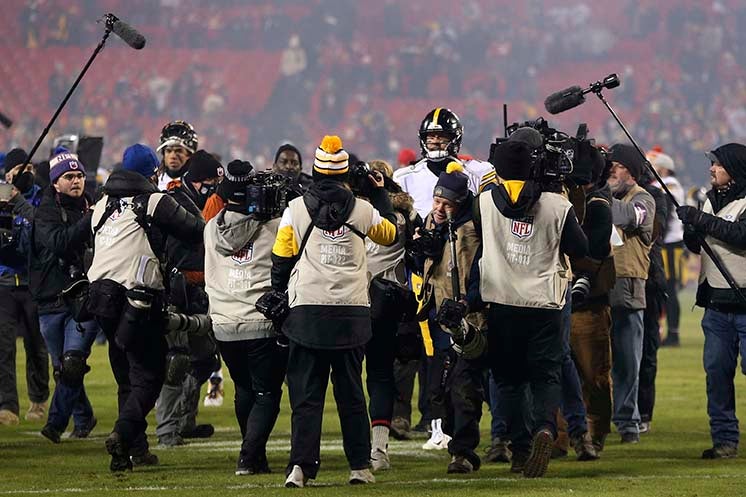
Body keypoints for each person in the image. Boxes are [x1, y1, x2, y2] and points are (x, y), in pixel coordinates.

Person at [271, 135, 397, 487]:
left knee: (306, 398)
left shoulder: (295, 209)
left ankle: (300, 468)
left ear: (313, 171)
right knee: (352, 395)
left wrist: (278, 294)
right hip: (352, 315)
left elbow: (281, 259)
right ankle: (359, 466)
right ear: (345, 173)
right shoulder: (363, 209)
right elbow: (390, 233)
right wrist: (380, 192)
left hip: (306, 313)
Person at [473, 139, 588, 478]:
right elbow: (579, 248)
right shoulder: (556, 204)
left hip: (501, 301)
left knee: (508, 381)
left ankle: (520, 448)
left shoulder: (483, 202)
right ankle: (545, 429)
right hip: (544, 304)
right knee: (545, 375)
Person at [87, 144, 204, 471]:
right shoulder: (154, 201)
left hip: (100, 300)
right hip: (137, 300)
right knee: (150, 376)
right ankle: (123, 435)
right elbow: (196, 230)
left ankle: (131, 452)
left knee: (127, 376)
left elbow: (76, 240)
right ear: (152, 171)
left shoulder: (101, 205)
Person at [392, 107, 497, 439]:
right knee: (426, 352)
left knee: (473, 348)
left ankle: (484, 425)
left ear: (456, 139)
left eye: (443, 136)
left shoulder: (478, 171)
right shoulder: (404, 177)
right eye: (432, 137)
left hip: (467, 273)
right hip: (422, 276)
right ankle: (435, 419)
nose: (437, 142)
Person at [204, 160, 288, 475]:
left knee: (243, 390)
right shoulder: (276, 225)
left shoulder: (211, 228)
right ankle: (249, 456)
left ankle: (254, 454)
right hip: (261, 321)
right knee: (267, 393)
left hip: (225, 324)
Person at [409, 162, 487, 473]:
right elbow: (426, 269)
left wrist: (470, 302)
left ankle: (464, 452)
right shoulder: (432, 222)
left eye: (447, 203)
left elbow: (482, 271)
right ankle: (463, 444)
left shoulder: (473, 228)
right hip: (439, 317)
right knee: (441, 391)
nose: (439, 208)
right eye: (437, 201)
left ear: (460, 202)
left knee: (465, 386)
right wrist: (419, 250)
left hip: (470, 318)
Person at [677, 143, 746, 459]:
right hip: (716, 305)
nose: (712, 169)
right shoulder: (708, 200)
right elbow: (697, 245)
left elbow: (740, 236)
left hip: (744, 303)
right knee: (717, 375)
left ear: (734, 168)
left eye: (717, 164)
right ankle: (725, 440)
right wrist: (690, 228)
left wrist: (700, 221)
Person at [29, 152, 98, 443]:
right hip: (50, 299)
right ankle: (84, 418)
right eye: (69, 177)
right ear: (55, 183)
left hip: (84, 298)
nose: (76, 181)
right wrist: (91, 220)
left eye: (80, 176)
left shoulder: (94, 208)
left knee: (72, 362)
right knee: (64, 370)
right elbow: (59, 243)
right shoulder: (44, 212)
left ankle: (55, 425)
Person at [156, 150, 222, 447]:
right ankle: (168, 430)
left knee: (206, 358)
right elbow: (200, 233)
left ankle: (186, 420)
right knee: (177, 360)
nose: (214, 189)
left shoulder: (193, 199)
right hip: (177, 289)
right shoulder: (172, 201)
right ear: (198, 181)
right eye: (211, 182)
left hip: (200, 290)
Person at [361, 159, 419, 472]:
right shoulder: (406, 215)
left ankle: (361, 448)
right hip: (386, 305)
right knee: (380, 374)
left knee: (348, 378)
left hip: (350, 304)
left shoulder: (352, 211)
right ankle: (378, 449)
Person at [606, 144, 655, 444]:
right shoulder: (606, 197)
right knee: (595, 361)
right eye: (608, 165)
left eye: (618, 165)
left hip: (628, 285)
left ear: (633, 171)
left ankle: (628, 422)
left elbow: (627, 218)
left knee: (627, 361)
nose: (611, 170)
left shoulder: (643, 199)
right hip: (599, 285)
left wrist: (595, 193)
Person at [568, 149, 615, 453]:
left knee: (592, 372)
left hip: (589, 303)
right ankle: (561, 436)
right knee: (558, 373)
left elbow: (591, 250)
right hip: (557, 300)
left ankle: (594, 434)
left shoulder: (598, 205)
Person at [0, 148, 49, 426]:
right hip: (3, 281)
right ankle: (7, 405)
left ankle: (38, 400)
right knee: (3, 347)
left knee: (36, 345)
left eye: (29, 168)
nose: (25, 174)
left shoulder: (43, 198)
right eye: (19, 169)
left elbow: (41, 227)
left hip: (33, 282)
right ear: (7, 174)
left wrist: (18, 202)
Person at [638, 164, 670, 435]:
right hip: (620, 282)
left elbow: (655, 230)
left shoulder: (655, 197)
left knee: (646, 351)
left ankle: (643, 411)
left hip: (648, 281)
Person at [647, 148, 686, 347]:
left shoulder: (667, 186)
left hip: (670, 244)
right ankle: (671, 331)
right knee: (669, 289)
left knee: (668, 289)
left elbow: (666, 216)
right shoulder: (674, 186)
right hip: (674, 244)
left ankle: (673, 334)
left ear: (662, 169)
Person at [155, 120, 198, 191]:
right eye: (168, 151)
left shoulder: (199, 186)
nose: (173, 156)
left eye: (179, 151)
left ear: (190, 155)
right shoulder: (154, 184)